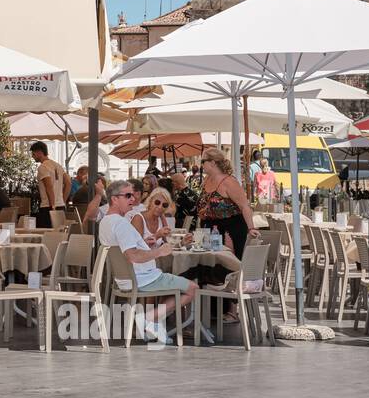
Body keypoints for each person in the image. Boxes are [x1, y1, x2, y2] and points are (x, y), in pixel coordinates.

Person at [99, 180, 195, 345]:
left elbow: (129, 251)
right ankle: (149, 319)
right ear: (114, 199)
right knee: (192, 289)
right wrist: (159, 251)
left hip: (125, 279)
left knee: (172, 286)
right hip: (143, 278)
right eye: (127, 195)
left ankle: (153, 322)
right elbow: (132, 256)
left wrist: (149, 243)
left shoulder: (105, 223)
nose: (134, 199)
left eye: (134, 195)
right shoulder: (121, 224)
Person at [197, 148, 260, 258]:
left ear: (212, 163)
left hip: (230, 230)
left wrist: (251, 228)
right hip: (210, 228)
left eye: (203, 161)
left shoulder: (229, 182)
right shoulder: (207, 179)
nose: (201, 164)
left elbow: (244, 206)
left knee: (227, 263)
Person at [31, 142, 70, 228]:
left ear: (40, 153)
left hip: (48, 206)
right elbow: (68, 183)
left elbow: (49, 187)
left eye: (33, 154)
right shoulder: (58, 165)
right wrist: (62, 200)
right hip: (60, 205)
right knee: (58, 235)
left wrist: (52, 207)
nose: (32, 156)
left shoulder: (43, 167)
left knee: (46, 235)